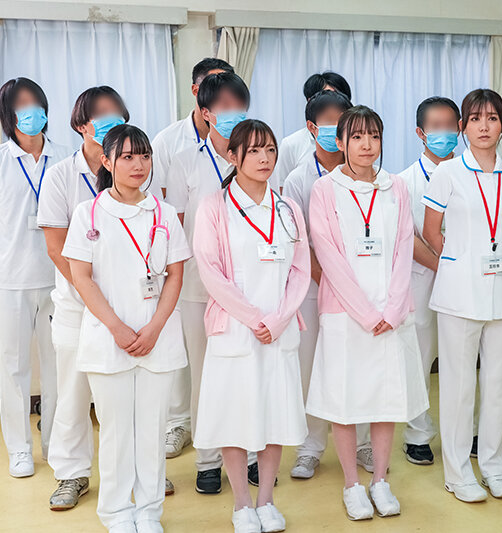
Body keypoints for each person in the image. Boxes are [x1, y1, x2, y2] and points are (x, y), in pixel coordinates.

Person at [39, 86, 165, 510]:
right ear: (81, 125)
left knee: (133, 398)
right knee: (74, 393)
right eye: (102, 115)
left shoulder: (139, 176)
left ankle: (141, 473)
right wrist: (95, 299)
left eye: (118, 114)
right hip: (78, 307)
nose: (113, 122)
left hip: (134, 309)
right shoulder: (60, 175)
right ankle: (72, 473)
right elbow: (56, 247)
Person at [63, 124, 190, 533]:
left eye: (145, 156)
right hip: (108, 339)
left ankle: (149, 511)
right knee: (116, 432)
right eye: (128, 156)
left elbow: (175, 275)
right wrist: (118, 328)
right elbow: (81, 277)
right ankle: (117, 513)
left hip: (157, 337)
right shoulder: (89, 213)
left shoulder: (164, 213)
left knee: (152, 431)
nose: (139, 165)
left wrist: (154, 328)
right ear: (107, 161)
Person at [306, 105, 428, 520]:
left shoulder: (396, 188)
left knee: (385, 399)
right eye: (357, 136)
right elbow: (328, 255)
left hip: (390, 316)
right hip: (346, 314)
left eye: (374, 136)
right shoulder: (325, 190)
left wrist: (391, 309)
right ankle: (351, 485)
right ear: (340, 142)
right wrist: (364, 311)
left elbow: (403, 250)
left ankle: (379, 480)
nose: (366, 145)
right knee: (345, 400)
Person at [192, 119, 310, 533]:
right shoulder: (214, 207)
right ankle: (242, 503)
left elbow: (301, 269)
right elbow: (210, 270)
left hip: (278, 329)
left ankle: (266, 501)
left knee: (274, 413)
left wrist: (277, 319)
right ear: (233, 156)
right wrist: (255, 318)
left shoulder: (288, 208)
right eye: (255, 150)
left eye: (270, 150)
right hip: (236, 328)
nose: (264, 158)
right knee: (234, 416)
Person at [422, 89, 502, 503]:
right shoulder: (448, 173)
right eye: (475, 118)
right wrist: (460, 260)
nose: (484, 126)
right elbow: (431, 231)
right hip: (458, 293)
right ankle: (458, 473)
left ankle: (495, 467)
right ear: (463, 126)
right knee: (458, 384)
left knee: (498, 383)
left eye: (492, 118)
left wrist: (492, 257)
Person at [164, 71, 262, 493]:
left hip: (250, 291)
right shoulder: (185, 160)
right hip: (198, 289)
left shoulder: (256, 157)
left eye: (239, 105)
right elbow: (175, 227)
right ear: (205, 113)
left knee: (248, 373)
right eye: (223, 106)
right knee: (205, 375)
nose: (232, 112)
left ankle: (253, 454)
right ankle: (207, 460)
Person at [0, 77, 71, 478]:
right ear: (8, 115)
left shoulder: (65, 157)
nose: (31, 111)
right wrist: (13, 250)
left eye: (36, 102)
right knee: (14, 366)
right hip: (12, 279)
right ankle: (19, 449)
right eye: (21, 104)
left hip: (58, 277)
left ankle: (55, 443)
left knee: (57, 366)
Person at [283, 90, 373, 479]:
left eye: (344, 124)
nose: (338, 131)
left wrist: (355, 290)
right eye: (330, 125)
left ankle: (364, 444)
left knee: (360, 365)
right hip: (314, 287)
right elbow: (299, 242)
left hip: (362, 291)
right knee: (312, 367)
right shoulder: (298, 179)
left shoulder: (368, 177)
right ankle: (311, 447)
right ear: (311, 128)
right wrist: (332, 282)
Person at [397, 96, 473, 466]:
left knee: (464, 359)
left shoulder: (473, 173)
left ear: (460, 129)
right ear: (420, 133)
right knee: (420, 358)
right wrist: (447, 266)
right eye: (435, 127)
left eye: (449, 126)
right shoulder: (403, 182)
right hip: (423, 278)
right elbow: (408, 237)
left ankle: (466, 432)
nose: (444, 133)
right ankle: (417, 434)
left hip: (467, 282)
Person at [152, 57, 233, 199]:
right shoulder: (167, 141)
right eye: (214, 87)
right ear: (195, 90)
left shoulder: (244, 140)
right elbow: (160, 199)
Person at [273, 71, 352, 187]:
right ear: (311, 101)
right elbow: (282, 186)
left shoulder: (356, 141)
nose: (334, 101)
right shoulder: (291, 144)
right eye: (326, 95)